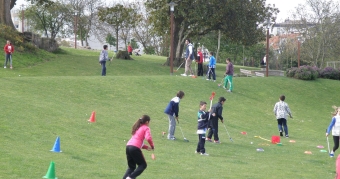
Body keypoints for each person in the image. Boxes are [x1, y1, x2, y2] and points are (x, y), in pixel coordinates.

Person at [123, 115, 155, 179]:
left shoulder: (138, 127)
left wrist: (146, 147)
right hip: (134, 148)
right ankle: (130, 177)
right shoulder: (146, 128)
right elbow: (148, 138)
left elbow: (138, 141)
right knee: (143, 165)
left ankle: (128, 177)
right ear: (147, 122)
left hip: (128, 147)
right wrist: (152, 146)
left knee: (131, 167)